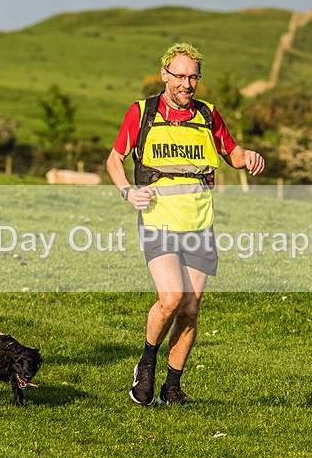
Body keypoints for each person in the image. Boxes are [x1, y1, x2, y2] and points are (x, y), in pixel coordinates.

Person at [106, 43, 265, 406]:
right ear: (165, 75)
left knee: (191, 308)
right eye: (180, 76)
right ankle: (146, 364)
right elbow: (114, 159)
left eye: (193, 77)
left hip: (199, 224)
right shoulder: (142, 112)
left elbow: (234, 154)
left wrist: (249, 156)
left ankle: (171, 387)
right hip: (158, 220)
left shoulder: (208, 116)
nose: (187, 84)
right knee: (171, 298)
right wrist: (128, 192)